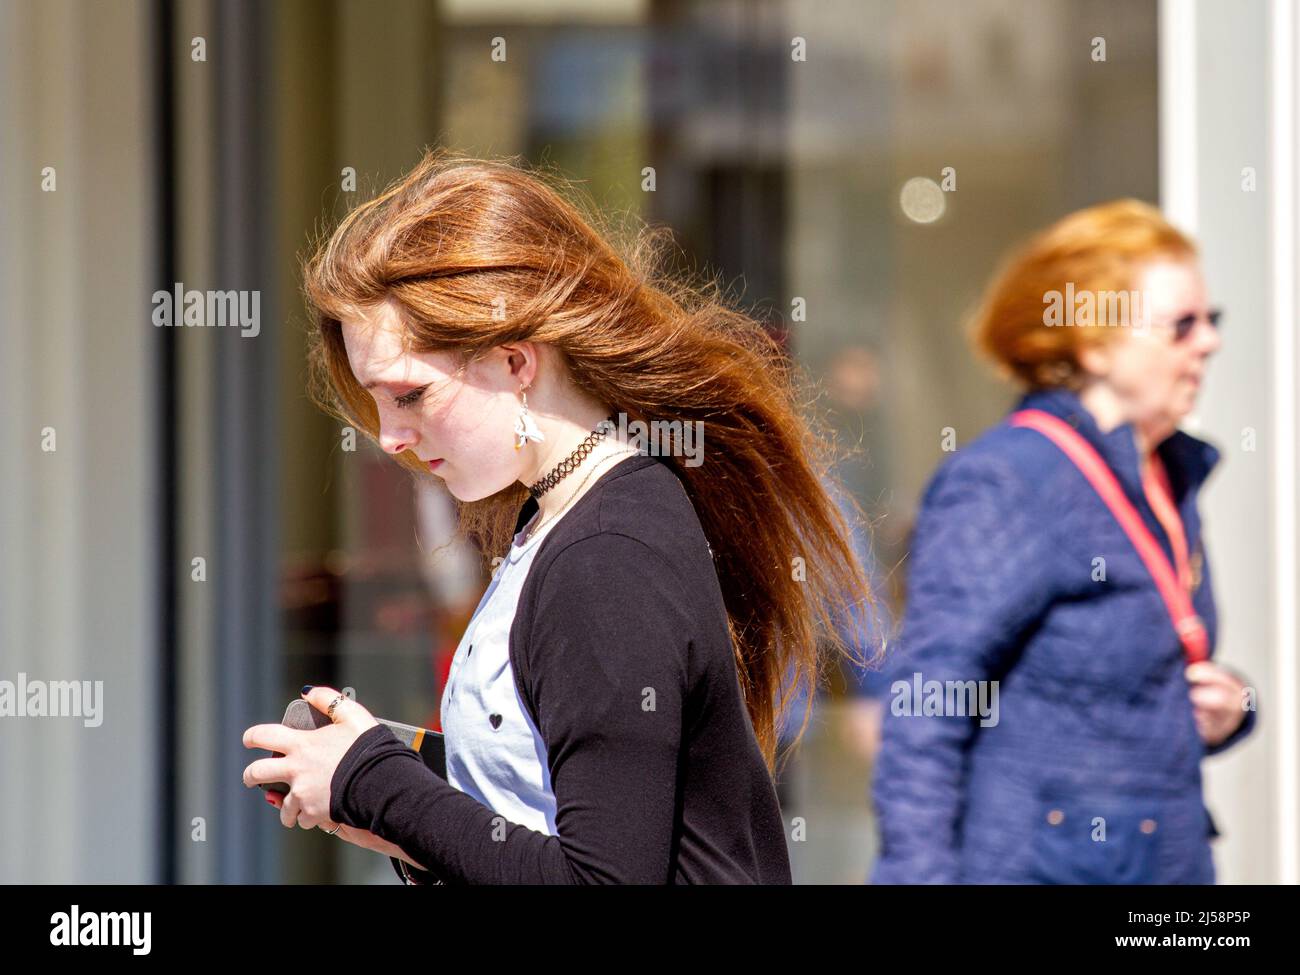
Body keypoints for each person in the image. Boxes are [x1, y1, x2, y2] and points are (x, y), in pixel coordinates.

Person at [241, 148, 876, 884]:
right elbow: (548, 805)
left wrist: (375, 783)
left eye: (410, 394)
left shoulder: (605, 554)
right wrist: (380, 786)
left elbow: (598, 879)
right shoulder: (568, 516)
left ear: (517, 362)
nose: (389, 437)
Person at [871, 200, 1257, 884]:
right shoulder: (1011, 480)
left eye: (1213, 321)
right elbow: (928, 705)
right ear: (1094, 342)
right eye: (1182, 325)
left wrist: (1235, 708)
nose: (1209, 342)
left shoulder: (1168, 476)